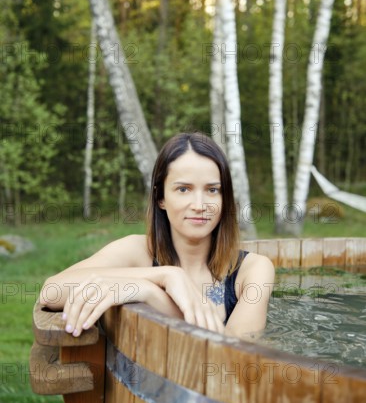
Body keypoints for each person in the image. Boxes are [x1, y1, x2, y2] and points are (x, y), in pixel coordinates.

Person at [40, 132, 275, 340]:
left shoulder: (252, 270)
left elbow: (237, 358)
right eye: (183, 189)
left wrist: (151, 294)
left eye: (212, 190)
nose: (199, 205)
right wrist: (164, 275)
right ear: (161, 197)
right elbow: (51, 292)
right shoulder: (137, 251)